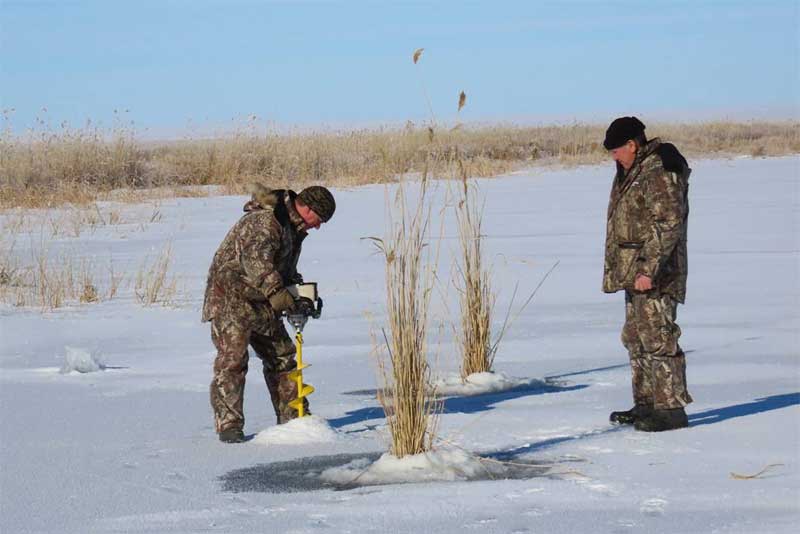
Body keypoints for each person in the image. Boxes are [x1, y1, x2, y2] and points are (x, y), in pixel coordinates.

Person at [202, 184, 335, 443]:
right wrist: (279, 295)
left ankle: (294, 419)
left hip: (261, 301)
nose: (318, 227)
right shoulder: (266, 221)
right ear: (307, 208)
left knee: (283, 357)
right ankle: (229, 426)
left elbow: (283, 270)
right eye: (319, 220)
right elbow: (257, 263)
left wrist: (300, 293)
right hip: (231, 298)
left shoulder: (293, 229)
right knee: (233, 361)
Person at [602, 116, 692, 432]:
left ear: (632, 144)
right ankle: (646, 404)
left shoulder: (659, 171)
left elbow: (668, 223)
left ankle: (670, 408)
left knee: (658, 335)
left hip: (656, 272)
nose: (613, 157)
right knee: (635, 336)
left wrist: (647, 269)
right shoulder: (632, 171)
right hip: (634, 271)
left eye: (616, 151)